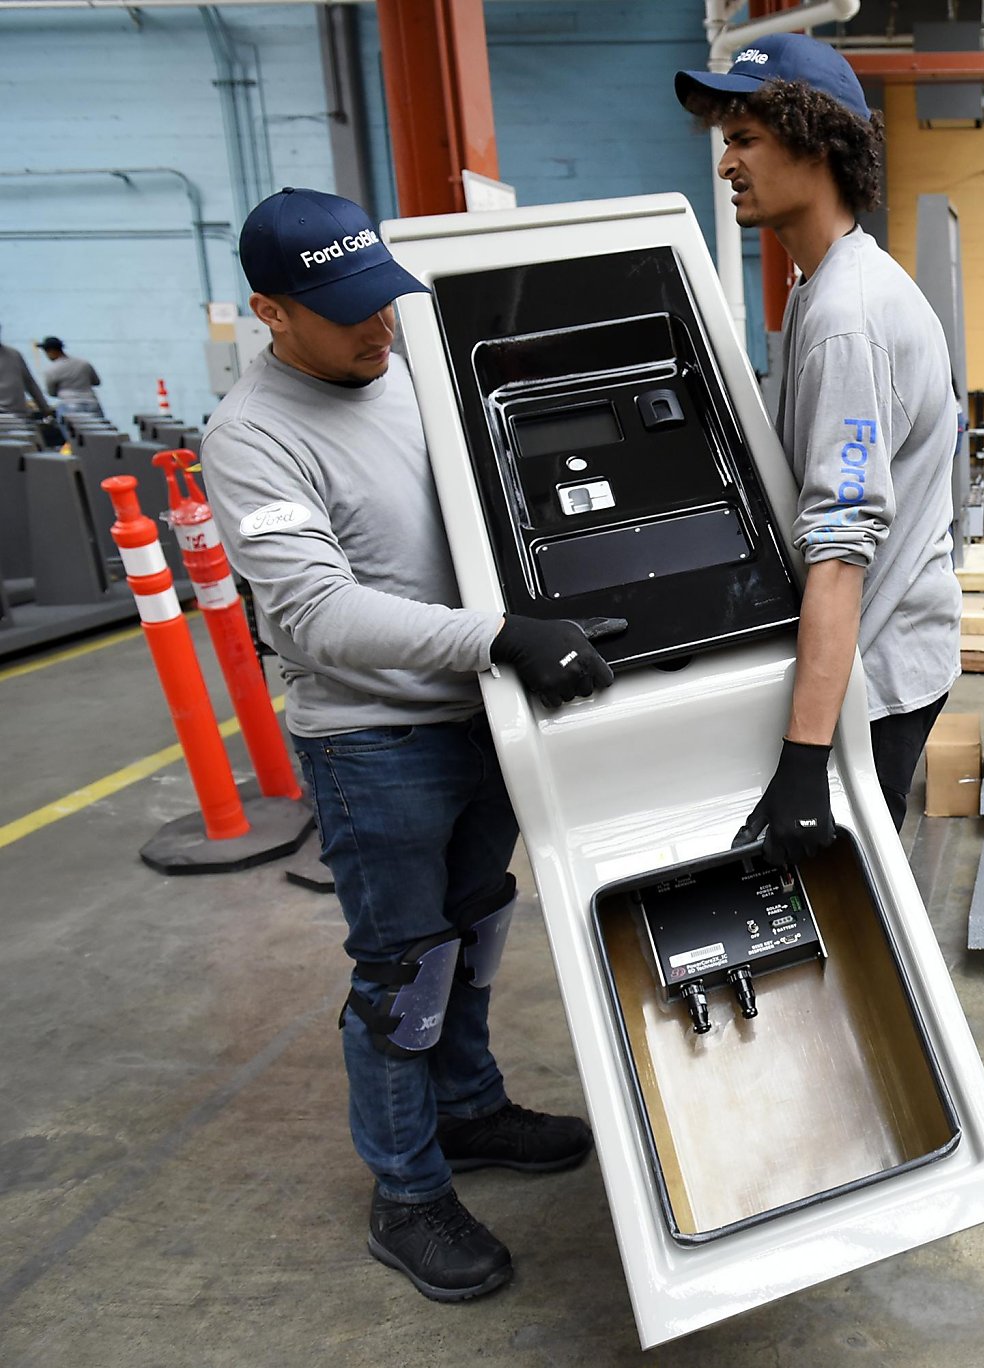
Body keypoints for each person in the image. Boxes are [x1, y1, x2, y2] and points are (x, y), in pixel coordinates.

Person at [202, 187, 617, 1304]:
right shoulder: (253, 437)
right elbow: (314, 616)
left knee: (476, 929)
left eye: (382, 299)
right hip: (373, 741)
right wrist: (500, 635)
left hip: (477, 714)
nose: (377, 326)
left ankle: (469, 1107)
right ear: (272, 313)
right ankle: (406, 1188)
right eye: (346, 312)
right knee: (405, 972)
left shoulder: (406, 372)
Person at [676, 34, 961, 859]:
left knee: (849, 915)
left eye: (746, 139)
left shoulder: (848, 316)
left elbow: (841, 547)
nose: (728, 164)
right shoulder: (823, 287)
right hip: (877, 650)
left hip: (877, 673)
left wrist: (803, 762)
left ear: (816, 143)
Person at [37, 337, 102, 417]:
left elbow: (51, 393)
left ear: (52, 351)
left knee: (65, 425)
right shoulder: (84, 363)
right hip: (92, 404)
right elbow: (97, 382)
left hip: (69, 406)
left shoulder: (51, 370)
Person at [0, 326, 52, 424]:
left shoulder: (15, 354)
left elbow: (30, 383)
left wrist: (45, 409)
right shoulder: (14, 354)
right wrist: (45, 409)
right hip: (17, 415)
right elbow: (30, 384)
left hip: (17, 415)